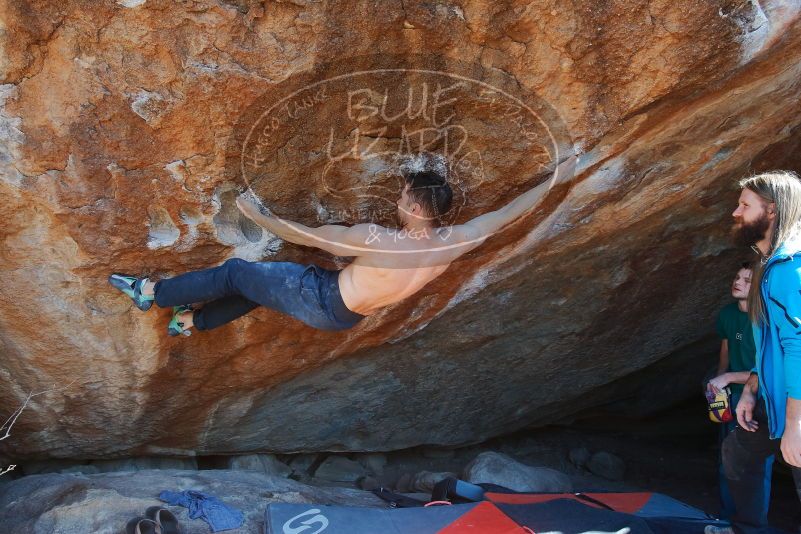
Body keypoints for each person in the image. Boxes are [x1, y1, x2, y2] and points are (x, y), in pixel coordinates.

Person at [109, 155, 577, 335]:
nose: (397, 199)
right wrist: (556, 178)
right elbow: (508, 212)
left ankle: (152, 293)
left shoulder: (380, 240)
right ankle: (191, 321)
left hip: (321, 297)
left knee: (237, 273)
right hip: (346, 318)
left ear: (416, 206)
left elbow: (305, 236)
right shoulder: (454, 242)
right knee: (262, 287)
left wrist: (257, 215)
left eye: (403, 196)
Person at [711, 171, 801, 534]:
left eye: (744, 205)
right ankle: (746, 529)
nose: (736, 212)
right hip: (772, 396)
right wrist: (751, 388)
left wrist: (796, 424)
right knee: (739, 452)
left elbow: (797, 346)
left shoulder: (789, 268)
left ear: (772, 210)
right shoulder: (768, 266)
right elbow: (770, 345)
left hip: (797, 404)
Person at [707, 262, 773, 524]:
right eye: (737, 277)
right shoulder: (727, 314)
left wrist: (727, 377)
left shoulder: (766, 318)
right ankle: (726, 519)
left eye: (747, 280)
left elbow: (768, 370)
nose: (738, 282)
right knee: (726, 458)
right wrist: (717, 386)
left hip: (760, 399)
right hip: (731, 395)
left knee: (756, 465)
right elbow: (726, 352)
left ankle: (753, 524)